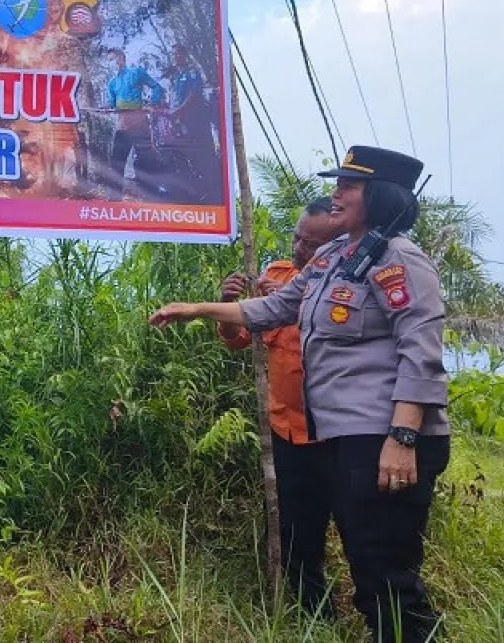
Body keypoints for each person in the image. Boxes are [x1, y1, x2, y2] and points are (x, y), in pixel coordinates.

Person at [151, 146, 448, 642]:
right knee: (369, 571)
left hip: (385, 436)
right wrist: (197, 309)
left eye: (348, 186)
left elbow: (421, 351)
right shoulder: (335, 256)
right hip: (344, 438)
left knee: (387, 576)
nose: (336, 193)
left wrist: (403, 436)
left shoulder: (401, 261)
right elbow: (273, 308)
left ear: (379, 195)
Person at [217, 198, 339, 617]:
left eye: (311, 243)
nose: (300, 249)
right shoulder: (276, 276)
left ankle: (380, 609)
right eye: (297, 238)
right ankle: (314, 614)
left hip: (341, 435)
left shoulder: (346, 283)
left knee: (359, 528)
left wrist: (294, 304)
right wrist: (232, 305)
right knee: (297, 530)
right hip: (288, 432)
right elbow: (236, 339)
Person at [104, 48, 165, 199]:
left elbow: (157, 87)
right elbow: (112, 104)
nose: (111, 63)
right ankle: (115, 196)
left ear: (121, 58)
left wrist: (153, 103)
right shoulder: (112, 83)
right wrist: (105, 108)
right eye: (109, 61)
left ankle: (150, 194)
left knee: (145, 162)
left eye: (113, 59)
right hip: (122, 128)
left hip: (139, 127)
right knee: (117, 162)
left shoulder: (136, 73)